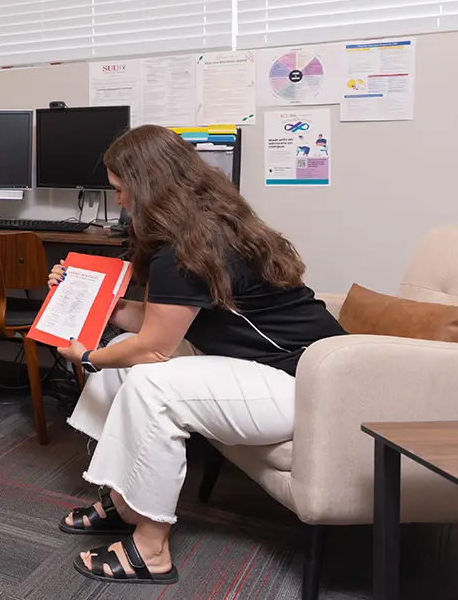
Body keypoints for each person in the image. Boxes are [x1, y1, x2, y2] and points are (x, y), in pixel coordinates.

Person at [47, 125, 345, 586]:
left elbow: (153, 346)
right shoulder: (204, 230)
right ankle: (122, 497)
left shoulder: (185, 250)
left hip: (306, 386)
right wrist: (86, 294)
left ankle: (151, 548)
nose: (120, 202)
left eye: (121, 191)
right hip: (274, 369)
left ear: (146, 187)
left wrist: (86, 359)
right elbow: (157, 322)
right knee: (121, 359)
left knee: (146, 378)